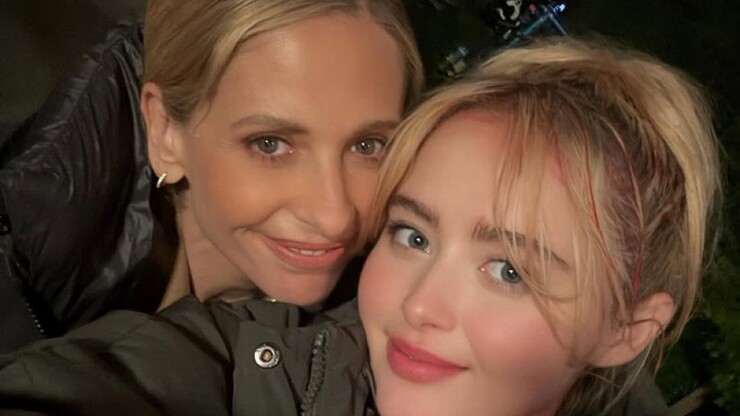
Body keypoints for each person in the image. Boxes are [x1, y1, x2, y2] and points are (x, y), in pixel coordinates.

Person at [0, 38, 719, 415]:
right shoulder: (238, 364)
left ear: (626, 331)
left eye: (508, 271)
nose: (418, 306)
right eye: (413, 236)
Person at [0, 0, 423, 352]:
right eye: (270, 144)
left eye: (368, 146)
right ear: (165, 132)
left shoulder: (403, 309)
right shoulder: (21, 274)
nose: (335, 217)